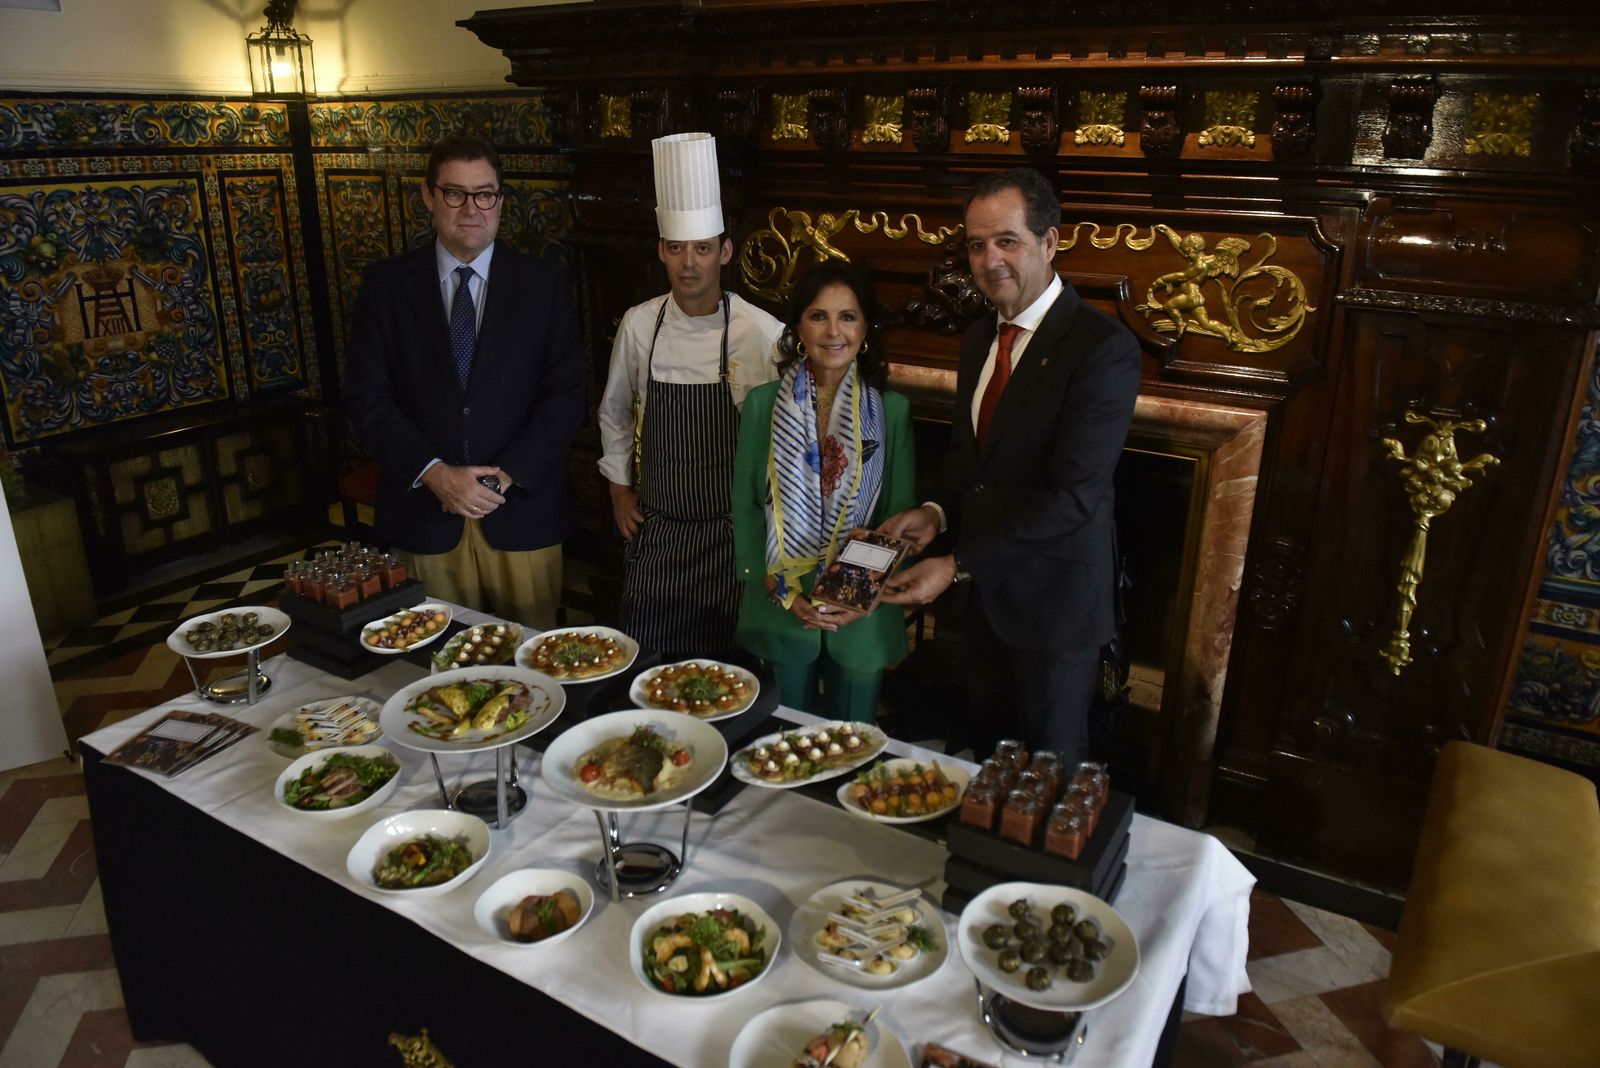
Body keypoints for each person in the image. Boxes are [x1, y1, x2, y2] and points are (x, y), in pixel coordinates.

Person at [880, 167, 1141, 762]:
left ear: (1049, 243)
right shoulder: (978, 338)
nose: (988, 259)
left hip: (1056, 613)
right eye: (976, 245)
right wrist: (934, 511)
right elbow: (970, 459)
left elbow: (1074, 496)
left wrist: (957, 565)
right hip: (984, 607)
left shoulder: (1103, 348)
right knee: (986, 761)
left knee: (1048, 782)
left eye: (1006, 241)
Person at [344, 135, 585, 630]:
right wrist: (435, 473)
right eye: (455, 193)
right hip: (425, 515)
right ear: (429, 197)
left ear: (500, 200)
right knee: (435, 664)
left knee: (531, 664)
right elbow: (368, 399)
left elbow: (566, 395)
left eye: (485, 194)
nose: (471, 209)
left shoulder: (544, 284)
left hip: (521, 513)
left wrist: (506, 475)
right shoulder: (386, 286)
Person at [597, 132, 782, 656]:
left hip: (730, 538)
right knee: (643, 667)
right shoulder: (640, 325)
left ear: (725, 251)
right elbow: (612, 414)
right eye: (677, 248)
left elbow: (785, 443)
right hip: (658, 533)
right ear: (661, 250)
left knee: (724, 675)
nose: (689, 263)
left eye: (702, 248)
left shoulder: (762, 332)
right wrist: (618, 490)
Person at [732, 260, 916, 721]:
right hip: (781, 601)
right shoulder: (761, 404)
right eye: (818, 316)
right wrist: (779, 589)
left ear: (865, 327)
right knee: (783, 741)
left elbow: (900, 514)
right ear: (798, 326)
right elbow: (747, 505)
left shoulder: (892, 412)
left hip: (861, 614)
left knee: (853, 744)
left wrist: (859, 598)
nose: (834, 331)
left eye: (847, 316)